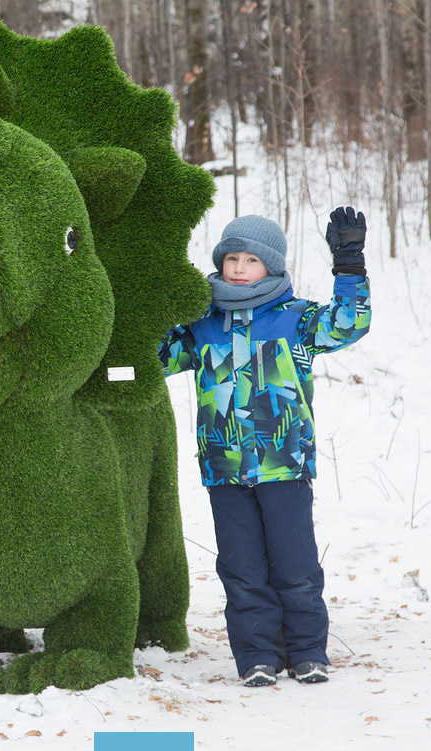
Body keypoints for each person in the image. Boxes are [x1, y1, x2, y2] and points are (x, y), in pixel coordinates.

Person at [159, 208, 371, 687]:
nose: (238, 267)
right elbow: (155, 356)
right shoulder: (201, 325)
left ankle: (307, 652)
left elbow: (347, 324)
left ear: (271, 267)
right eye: (231, 257)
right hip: (224, 468)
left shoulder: (295, 320)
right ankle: (256, 657)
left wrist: (350, 265)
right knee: (242, 569)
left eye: (250, 259)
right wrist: (160, 293)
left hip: (284, 465)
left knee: (295, 567)